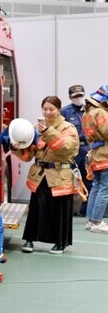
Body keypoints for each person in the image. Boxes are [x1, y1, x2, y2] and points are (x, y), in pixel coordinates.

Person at [13, 96, 79, 254]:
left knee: (59, 211)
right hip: (40, 175)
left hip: (60, 175)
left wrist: (47, 132)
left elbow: (65, 148)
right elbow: (28, 156)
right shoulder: (36, 128)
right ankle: (29, 239)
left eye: (52, 109)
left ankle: (60, 243)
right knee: (36, 208)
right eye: (45, 109)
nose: (48, 112)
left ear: (59, 110)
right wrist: (17, 147)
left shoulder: (68, 127)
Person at [61, 84, 90, 215]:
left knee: (88, 179)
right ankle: (69, 209)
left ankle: (86, 209)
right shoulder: (65, 112)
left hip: (87, 148)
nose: (78, 98)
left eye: (80, 95)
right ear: (70, 97)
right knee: (69, 179)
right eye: (75, 96)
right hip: (72, 150)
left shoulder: (89, 109)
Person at [82, 85, 108, 233]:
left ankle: (91, 221)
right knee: (104, 189)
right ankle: (97, 222)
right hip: (105, 154)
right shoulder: (101, 112)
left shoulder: (88, 113)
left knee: (97, 187)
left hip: (95, 154)